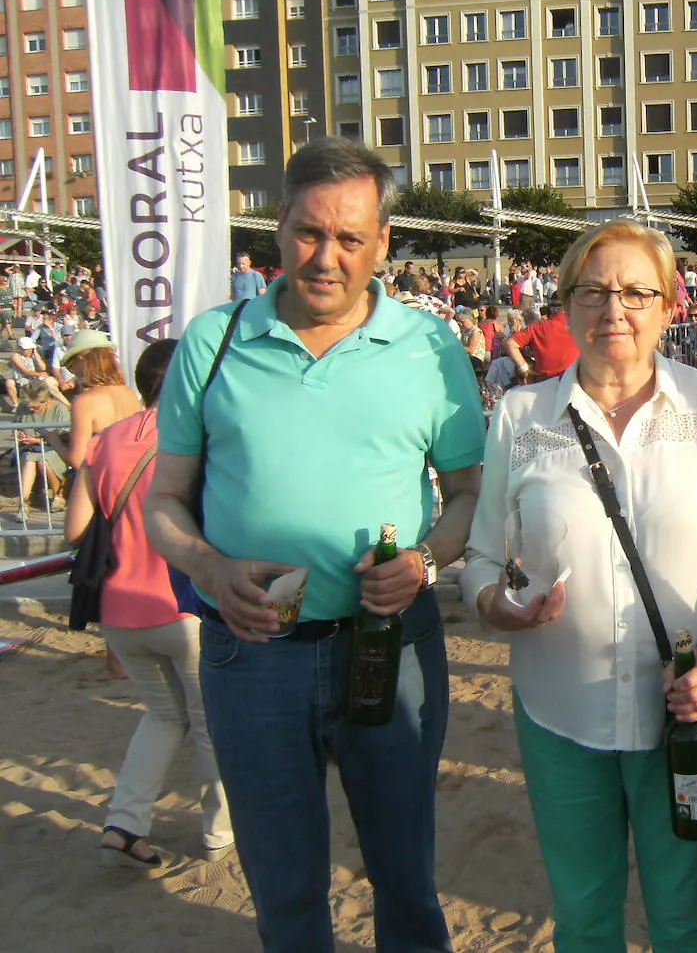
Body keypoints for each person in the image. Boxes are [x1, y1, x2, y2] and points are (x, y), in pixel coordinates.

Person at [146, 139, 485, 952]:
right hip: (252, 655)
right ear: (278, 224)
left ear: (382, 242)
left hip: (391, 648)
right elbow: (162, 500)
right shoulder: (213, 340)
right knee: (286, 897)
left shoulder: (428, 346)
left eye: (349, 238)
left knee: (407, 883)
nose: (325, 257)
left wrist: (427, 562)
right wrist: (208, 565)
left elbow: (470, 493)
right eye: (307, 232)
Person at [461, 220, 697, 953]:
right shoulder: (522, 416)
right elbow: (482, 555)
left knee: (687, 918)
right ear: (566, 305)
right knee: (582, 918)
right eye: (594, 291)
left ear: (670, 304)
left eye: (637, 291)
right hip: (558, 712)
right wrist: (501, 607)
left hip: (684, 719)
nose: (616, 309)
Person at [64, 340, 234, 868]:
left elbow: (75, 528)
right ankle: (219, 831)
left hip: (118, 610)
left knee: (161, 717)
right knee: (210, 722)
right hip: (182, 603)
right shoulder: (199, 440)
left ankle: (125, 821)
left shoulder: (107, 441)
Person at [60, 330, 143, 472]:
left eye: (71, 364)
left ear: (81, 358)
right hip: (131, 476)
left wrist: (54, 441)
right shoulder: (129, 393)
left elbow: (78, 460)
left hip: (102, 480)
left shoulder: (84, 402)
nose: (71, 370)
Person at [14, 379, 71, 523]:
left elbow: (65, 437)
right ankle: (24, 503)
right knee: (29, 460)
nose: (31, 410)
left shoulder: (59, 409)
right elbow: (17, 426)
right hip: (30, 448)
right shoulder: (23, 407)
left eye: (35, 407)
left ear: (45, 401)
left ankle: (58, 496)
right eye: (30, 407)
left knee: (43, 460)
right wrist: (20, 434)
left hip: (55, 448)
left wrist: (39, 441)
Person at [506, 303, 579, 383]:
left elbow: (510, 344)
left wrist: (524, 368)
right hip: (575, 383)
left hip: (545, 383)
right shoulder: (581, 326)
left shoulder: (536, 327)